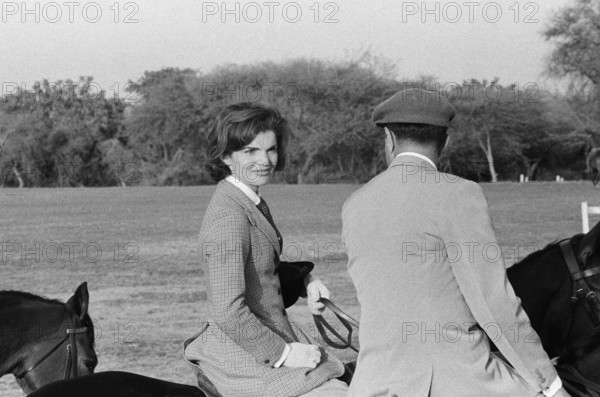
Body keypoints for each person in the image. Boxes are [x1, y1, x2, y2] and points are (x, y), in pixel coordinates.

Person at [341, 88, 570, 397]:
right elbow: (494, 304)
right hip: (455, 381)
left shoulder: (355, 203)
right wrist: (550, 383)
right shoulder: (458, 194)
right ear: (445, 142)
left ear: (390, 139)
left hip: (372, 383)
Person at [183, 102, 347, 397]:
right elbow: (227, 310)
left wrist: (306, 282)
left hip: (268, 335)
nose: (265, 161)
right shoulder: (229, 216)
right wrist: (283, 353)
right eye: (250, 151)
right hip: (246, 353)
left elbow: (260, 266)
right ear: (226, 156)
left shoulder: (247, 199)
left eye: (270, 149)